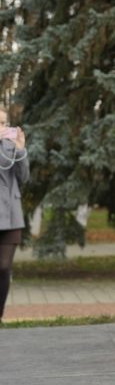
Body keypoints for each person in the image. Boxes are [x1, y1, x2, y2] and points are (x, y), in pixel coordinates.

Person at [0, 105, 29, 323]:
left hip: (11, 217)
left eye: (3, 123)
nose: (1, 128)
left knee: (3, 267)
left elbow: (23, 178)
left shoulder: (11, 148)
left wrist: (20, 149)